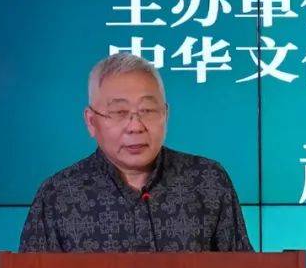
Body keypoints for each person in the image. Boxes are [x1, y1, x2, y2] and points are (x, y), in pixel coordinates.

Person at [18, 53, 253, 252]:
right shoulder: (58, 196)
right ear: (91, 121)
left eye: (147, 110)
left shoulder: (207, 181)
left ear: (166, 115)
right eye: (119, 112)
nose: (135, 126)